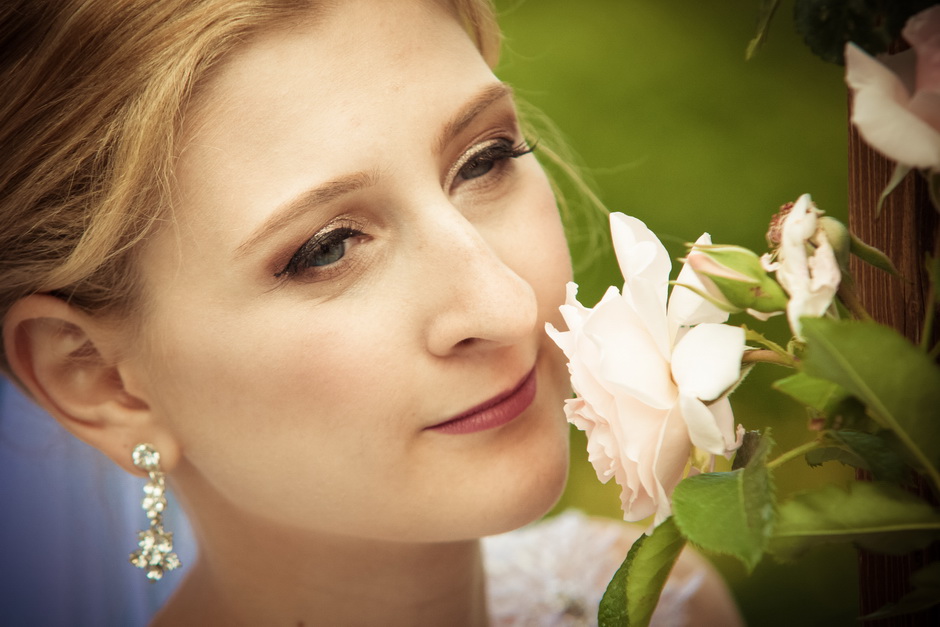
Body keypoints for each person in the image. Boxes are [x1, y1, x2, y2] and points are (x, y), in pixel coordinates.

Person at [0, 0, 742, 624]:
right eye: (327, 248)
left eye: (484, 159)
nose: (506, 304)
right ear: (98, 379)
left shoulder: (663, 599)